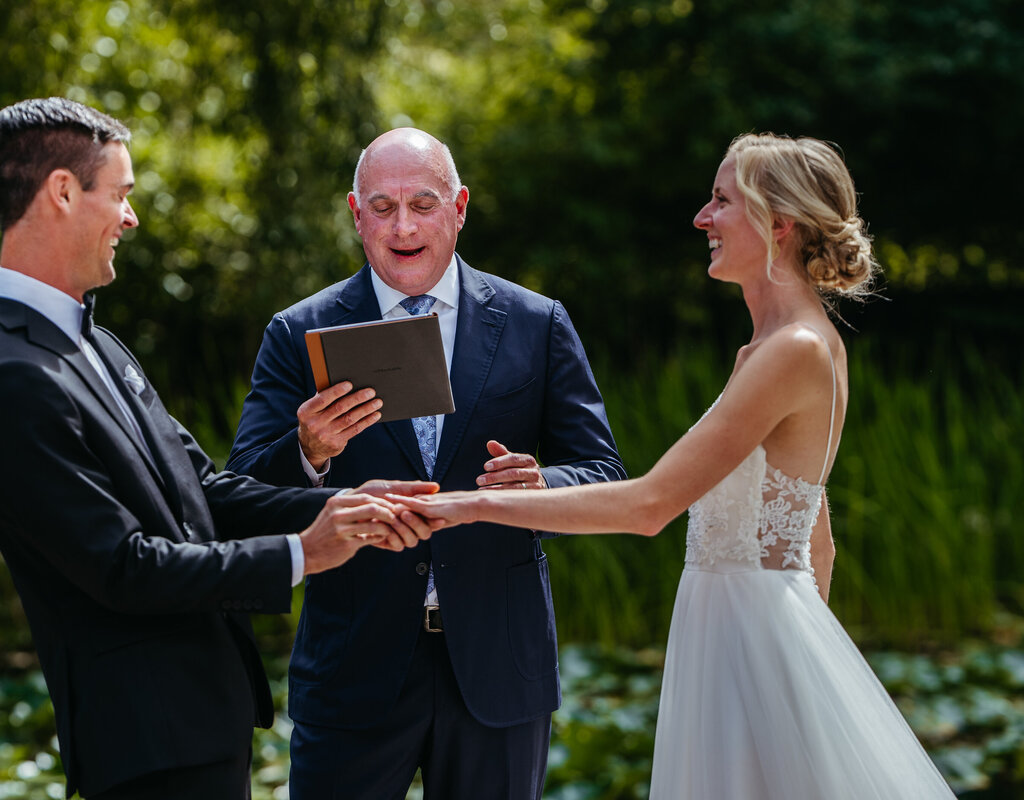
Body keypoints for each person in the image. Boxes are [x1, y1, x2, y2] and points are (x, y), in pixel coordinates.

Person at [395, 133, 957, 799]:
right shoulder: (779, 347)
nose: (701, 217)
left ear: (778, 224)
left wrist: (466, 505)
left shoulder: (794, 349)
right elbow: (818, 540)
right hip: (742, 633)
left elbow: (649, 505)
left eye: (721, 200)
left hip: (752, 636)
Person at [0, 97, 437, 800]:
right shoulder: (6, 375)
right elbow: (122, 568)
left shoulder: (95, 342)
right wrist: (304, 553)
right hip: (145, 749)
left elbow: (201, 490)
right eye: (119, 193)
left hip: (202, 727)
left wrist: (346, 503)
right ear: (62, 192)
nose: (130, 217)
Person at [225, 127, 625, 799]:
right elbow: (240, 495)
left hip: (499, 668)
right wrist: (308, 452)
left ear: (459, 208)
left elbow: (603, 472)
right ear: (356, 215)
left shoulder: (536, 322)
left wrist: (541, 486)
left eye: (423, 204)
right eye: (382, 207)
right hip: (352, 670)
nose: (403, 226)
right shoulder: (298, 331)